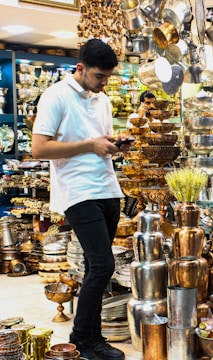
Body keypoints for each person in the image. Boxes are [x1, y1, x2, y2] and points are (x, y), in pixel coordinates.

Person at [32, 39, 130, 360]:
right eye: (99, 76)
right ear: (80, 68)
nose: (104, 83)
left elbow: (96, 142)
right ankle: (82, 338)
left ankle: (92, 339)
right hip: (77, 192)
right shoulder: (56, 96)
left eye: (107, 78)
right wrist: (90, 145)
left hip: (107, 189)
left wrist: (114, 145)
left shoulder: (102, 100)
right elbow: (40, 149)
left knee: (94, 267)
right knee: (104, 265)